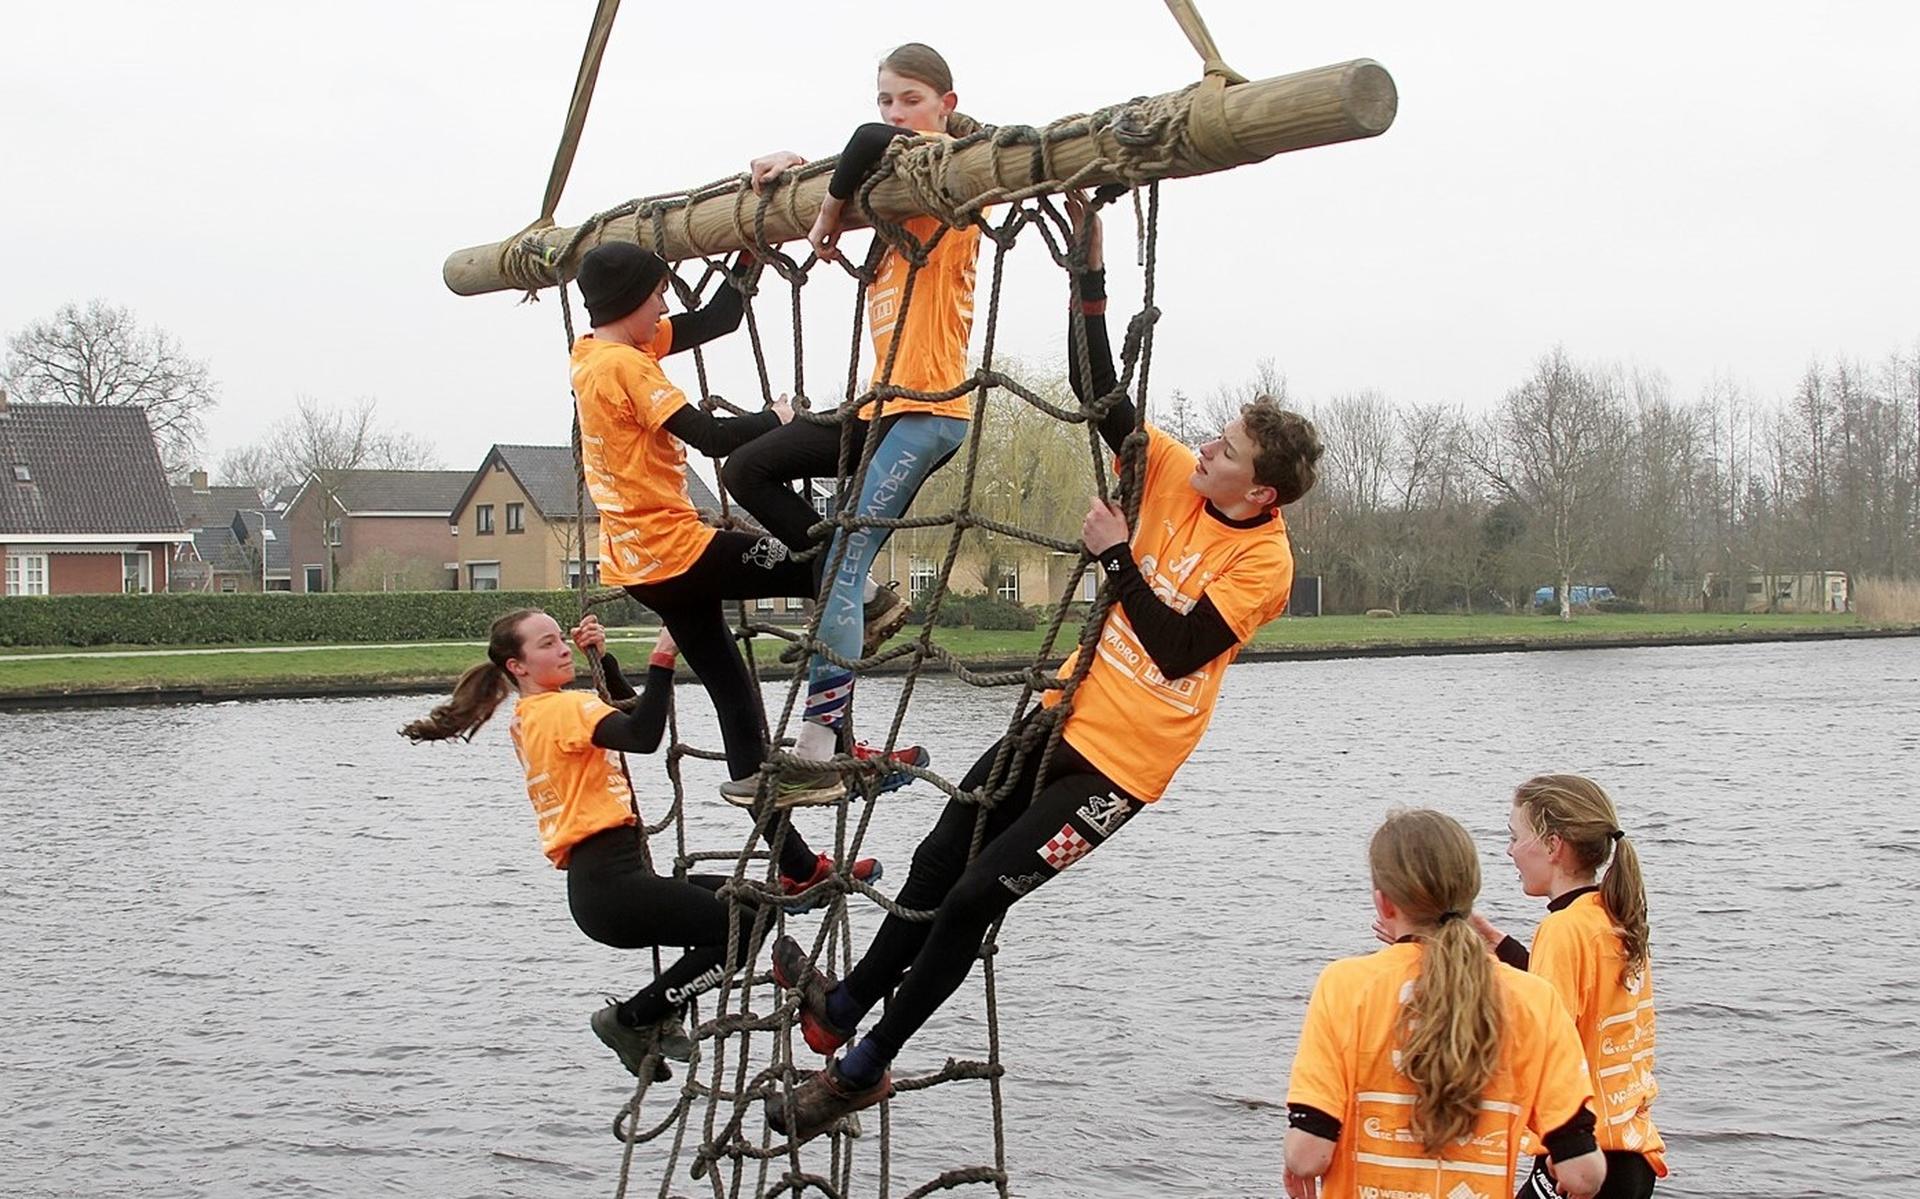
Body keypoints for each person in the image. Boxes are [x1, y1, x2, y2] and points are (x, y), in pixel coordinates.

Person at [760, 193, 1324, 1143]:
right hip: (1059, 718)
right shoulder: (1173, 475)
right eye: (1217, 434)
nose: (1209, 445)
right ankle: (844, 1005)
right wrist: (1089, 269)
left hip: (1118, 770)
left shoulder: (1265, 562)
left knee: (980, 896)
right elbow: (1098, 389)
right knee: (944, 852)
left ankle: (860, 1069)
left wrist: (1114, 557)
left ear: (1258, 489)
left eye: (1228, 449)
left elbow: (1181, 646)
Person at [569, 240, 883, 900]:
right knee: (817, 567)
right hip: (676, 553)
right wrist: (782, 419)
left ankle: (795, 864)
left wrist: (748, 254)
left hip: (642, 564)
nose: (665, 301)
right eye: (656, 291)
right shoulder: (626, 367)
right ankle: (845, 732)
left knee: (737, 700)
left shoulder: (602, 350)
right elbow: (711, 439)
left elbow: (717, 318)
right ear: (631, 300)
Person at [721, 42, 986, 785]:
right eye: (886, 100)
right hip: (877, 407)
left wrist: (826, 213)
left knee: (836, 564)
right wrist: (794, 170)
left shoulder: (951, 183)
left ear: (945, 105)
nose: (895, 113)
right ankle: (866, 596)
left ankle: (816, 751)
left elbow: (869, 146)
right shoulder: (893, 211)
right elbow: (862, 151)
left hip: (928, 412)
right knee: (748, 467)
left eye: (910, 99)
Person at [399, 610, 730, 1078]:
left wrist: (605, 660)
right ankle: (634, 1019)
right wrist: (663, 655)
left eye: (562, 640)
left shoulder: (534, 714)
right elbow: (644, 734)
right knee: (734, 927)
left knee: (749, 906)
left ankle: (653, 1013)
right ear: (518, 665)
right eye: (547, 643)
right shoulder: (561, 709)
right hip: (612, 886)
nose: (563, 649)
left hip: (607, 886)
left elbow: (629, 715)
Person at [1284, 809, 1608, 1199]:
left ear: (1384, 904)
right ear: (1468, 896)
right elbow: (1583, 1175)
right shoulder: (1533, 998)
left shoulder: (1346, 986)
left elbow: (1308, 1157)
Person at [1472, 775, 1667, 1199]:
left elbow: (1543, 1037)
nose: (1509, 851)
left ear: (1553, 846)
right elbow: (1582, 1006)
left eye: (1514, 837)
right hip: (1630, 1153)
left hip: (1580, 1155)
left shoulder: (1562, 929)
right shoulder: (1613, 915)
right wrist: (1500, 948)